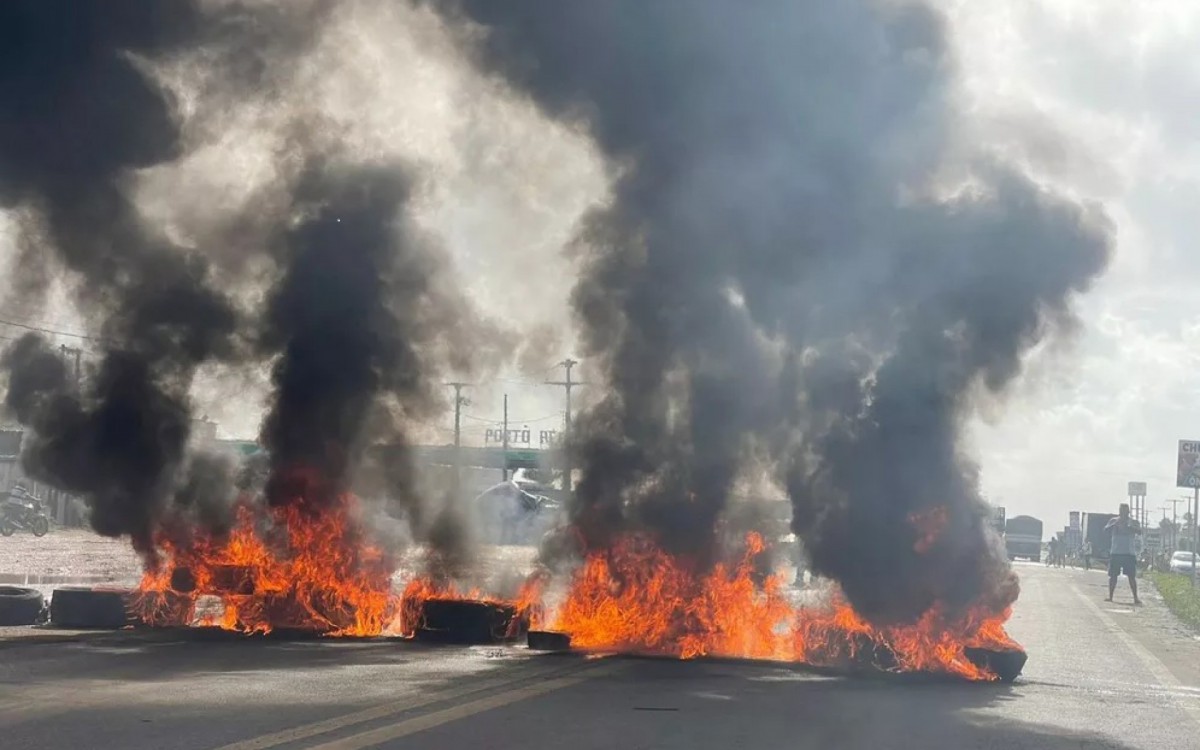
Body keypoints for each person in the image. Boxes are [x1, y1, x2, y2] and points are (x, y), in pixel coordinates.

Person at [1106, 503, 1141, 605]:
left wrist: (1128, 528)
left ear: (1128, 511)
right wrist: (1115, 525)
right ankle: (1110, 596)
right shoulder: (1113, 521)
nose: (1123, 513)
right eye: (1121, 511)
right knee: (1113, 576)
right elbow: (1105, 530)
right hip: (1116, 552)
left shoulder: (1133, 522)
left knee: (1131, 576)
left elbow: (1139, 531)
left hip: (1129, 553)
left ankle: (1135, 598)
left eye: (1125, 511)